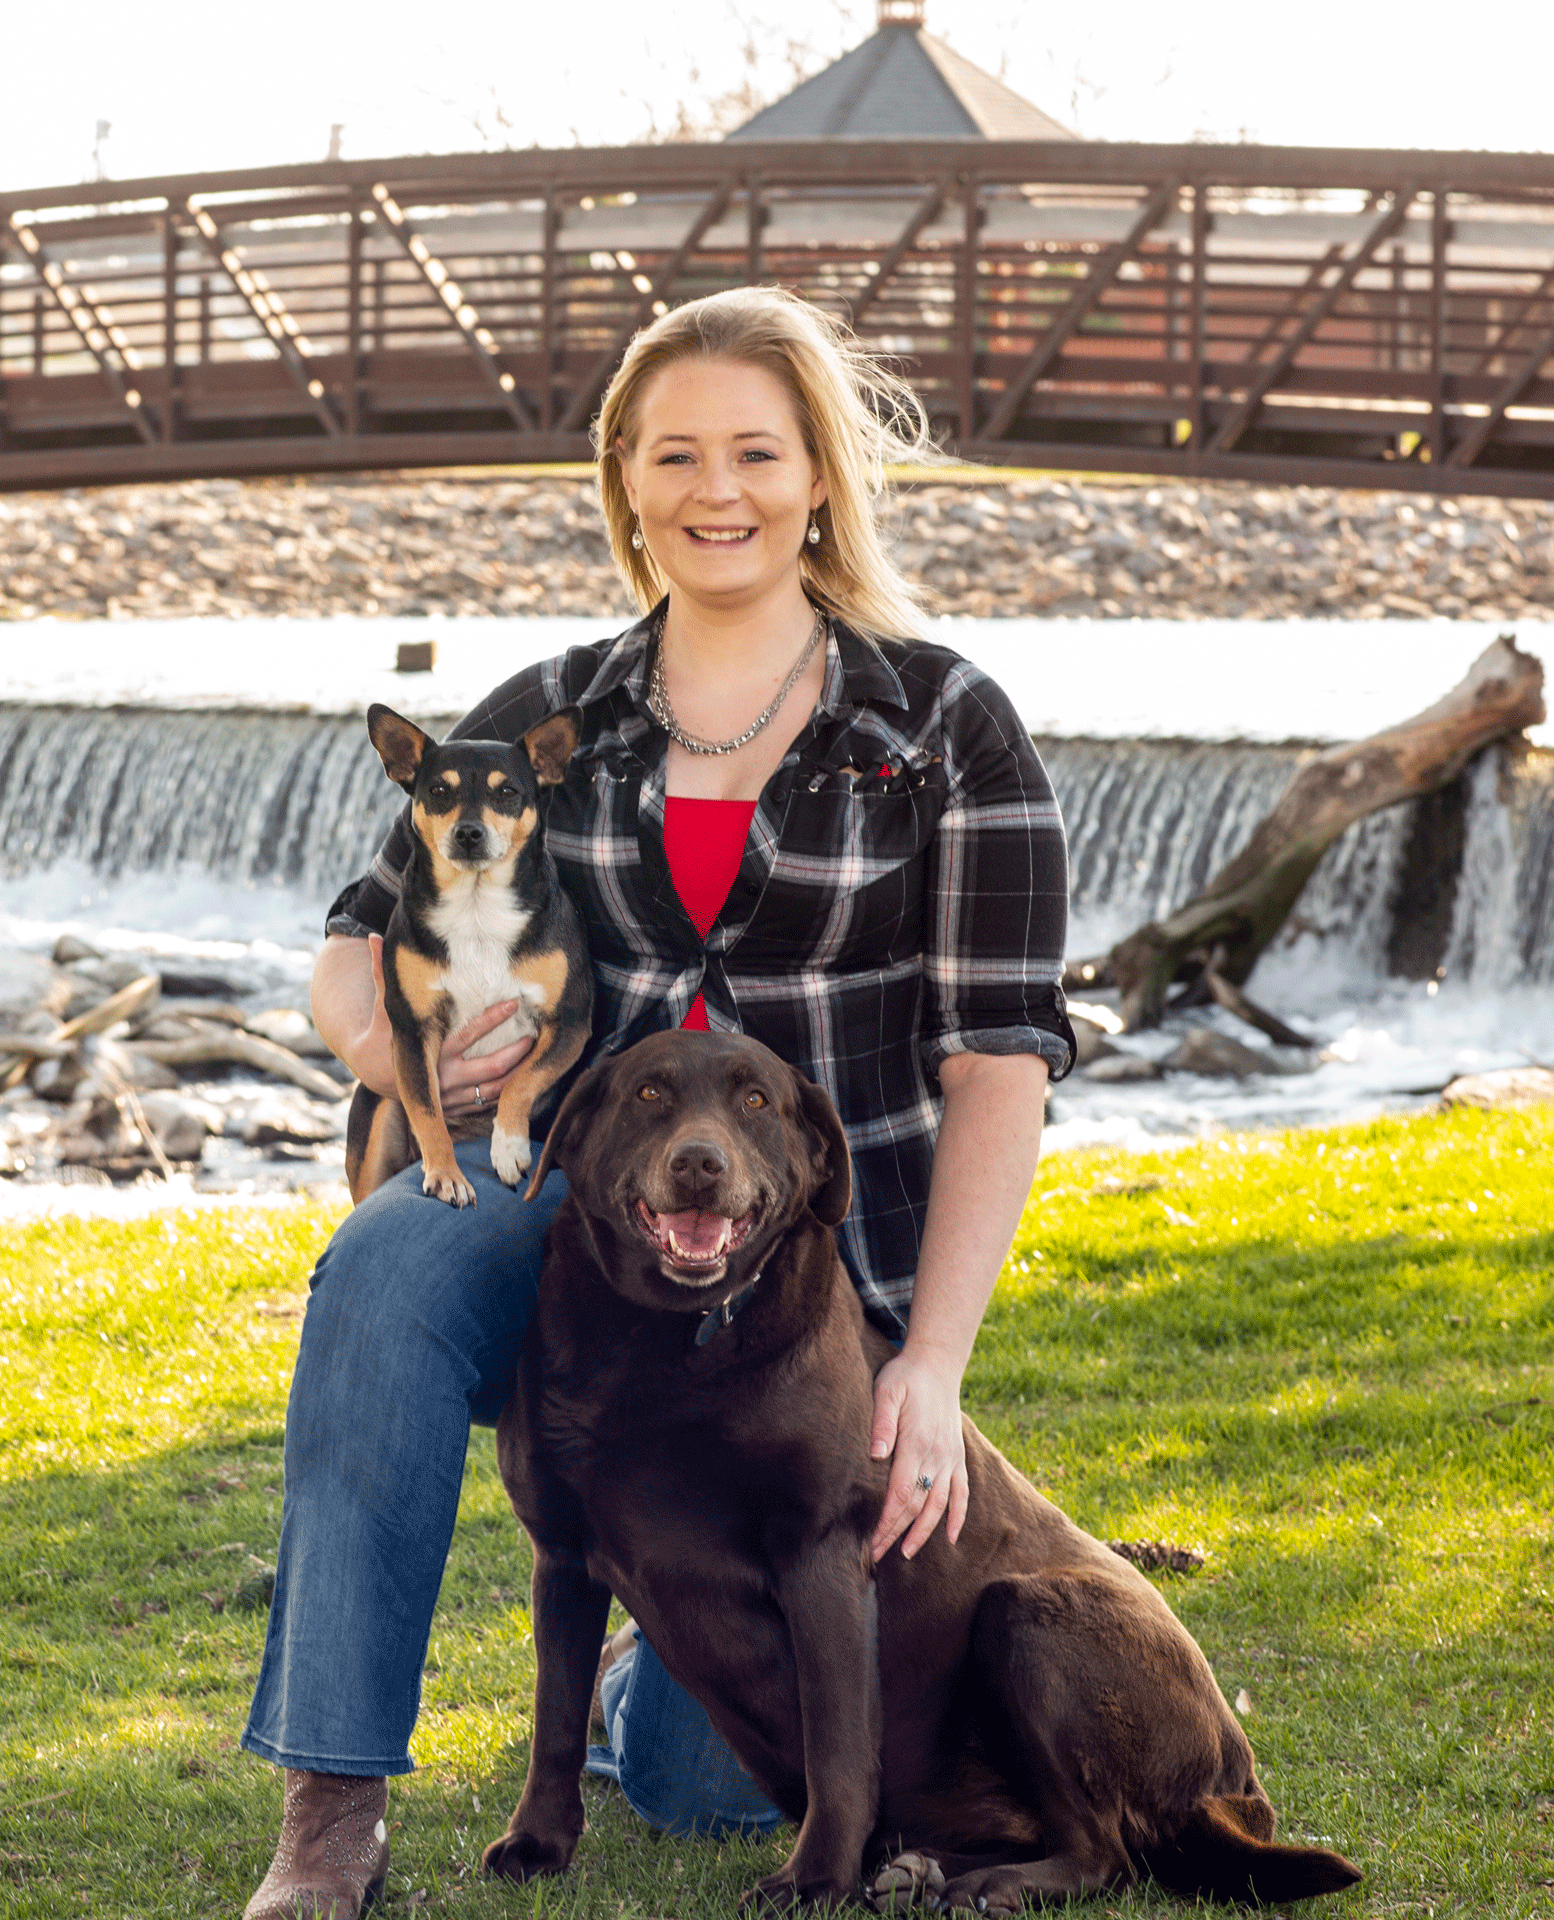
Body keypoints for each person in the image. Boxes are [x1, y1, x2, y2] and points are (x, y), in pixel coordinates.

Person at [238, 285, 1075, 1920]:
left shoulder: (945, 724)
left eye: (756, 451)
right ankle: (328, 1812)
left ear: (820, 475)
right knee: (385, 1273)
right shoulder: (549, 716)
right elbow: (353, 940)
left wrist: (932, 1362)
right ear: (623, 479)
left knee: (699, 1790)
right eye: (675, 454)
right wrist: (390, 1059)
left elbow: (1000, 1060)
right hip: (571, 1197)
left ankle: (642, 1644)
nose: (718, 490)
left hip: (817, 1265)